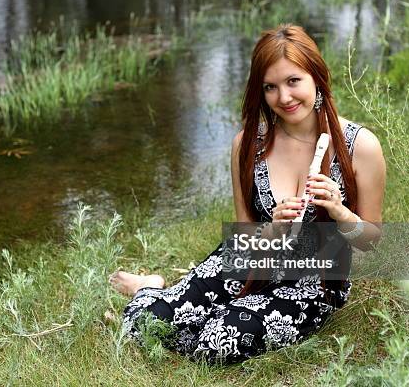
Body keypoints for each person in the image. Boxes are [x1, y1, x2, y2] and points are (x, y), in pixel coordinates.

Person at [109, 23, 386, 364]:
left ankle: (202, 311)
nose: (284, 97)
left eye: (293, 81)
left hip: (312, 284)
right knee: (145, 326)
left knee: (216, 344)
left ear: (317, 76)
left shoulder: (362, 146)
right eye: (270, 87)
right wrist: (274, 229)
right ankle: (149, 288)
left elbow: (372, 243)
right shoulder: (247, 144)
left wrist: (341, 213)